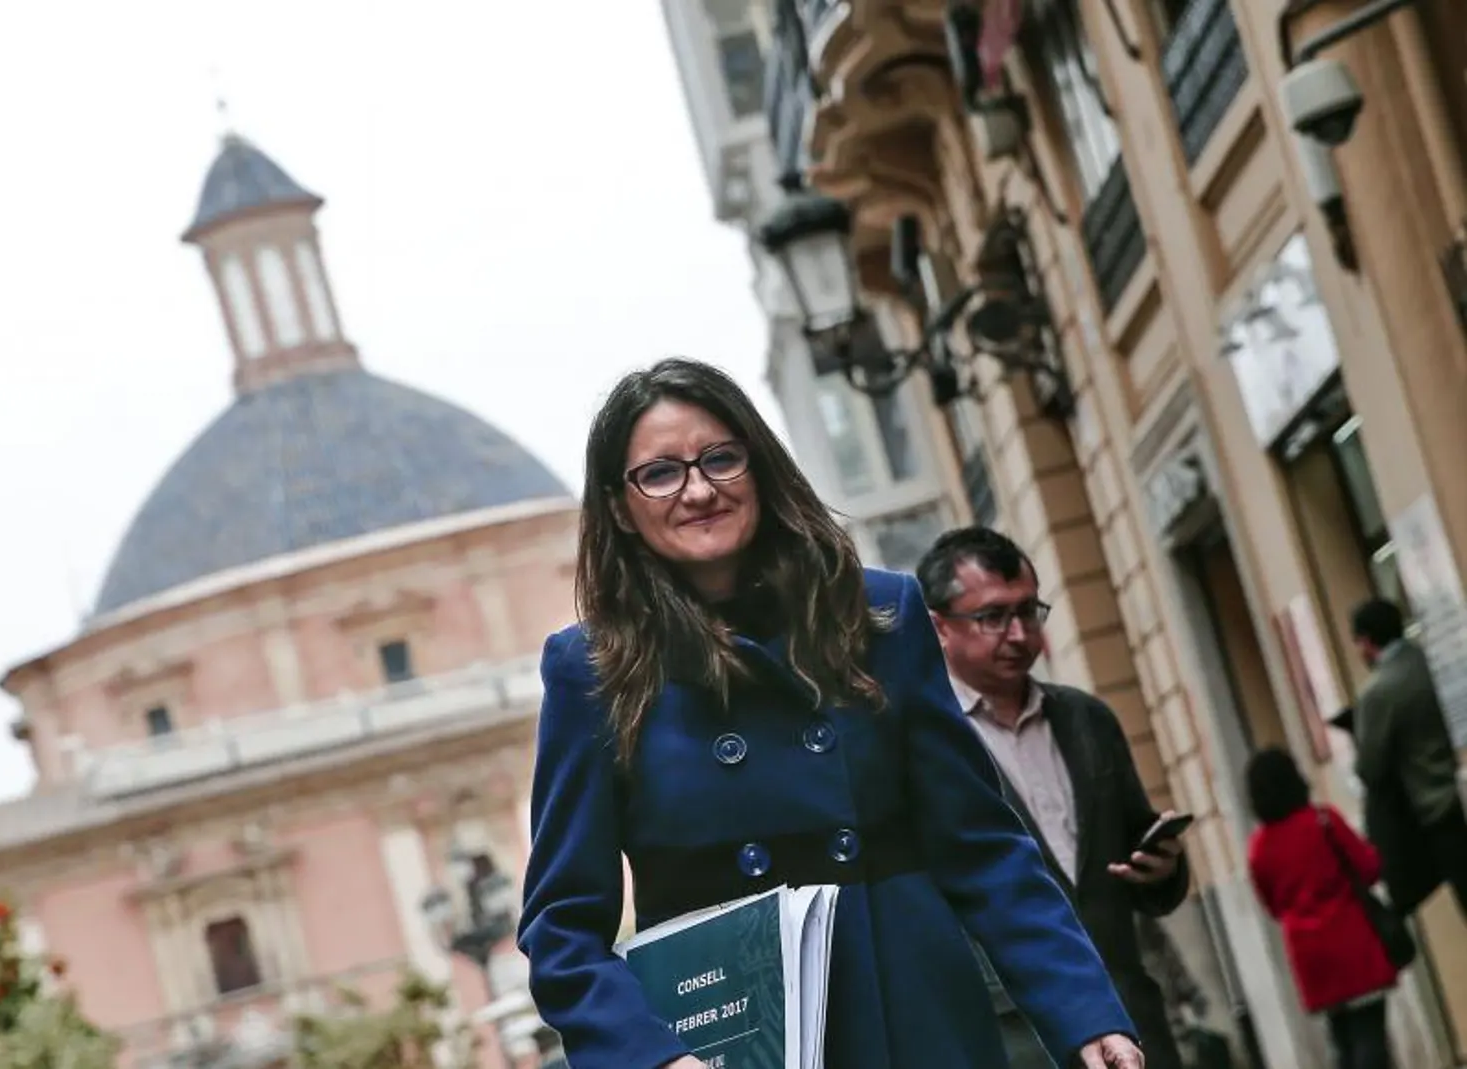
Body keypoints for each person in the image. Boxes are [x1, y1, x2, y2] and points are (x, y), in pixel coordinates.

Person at [517, 358, 1143, 1069]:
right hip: (732, 1032)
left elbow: (982, 847)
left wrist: (1085, 1013)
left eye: (721, 458)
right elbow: (562, 927)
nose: (698, 489)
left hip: (913, 1011)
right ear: (621, 507)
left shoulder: (881, 615)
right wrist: (651, 1055)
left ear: (760, 467)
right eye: (660, 473)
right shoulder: (591, 669)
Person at [913, 527, 1190, 1069]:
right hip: (1022, 1039)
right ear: (937, 627)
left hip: (1131, 1020)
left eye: (1028, 612)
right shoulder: (924, 744)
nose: (1018, 634)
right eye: (992, 617)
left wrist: (1163, 872)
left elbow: (1132, 852)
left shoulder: (1087, 720)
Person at [1245, 746, 1399, 1069]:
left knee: (1342, 1042)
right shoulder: (1322, 821)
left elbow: (1272, 905)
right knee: (1370, 1036)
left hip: (1309, 955)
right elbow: (1368, 867)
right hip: (1351, 941)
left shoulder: (1259, 849)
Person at [1349, 597, 1467, 915]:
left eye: (1358, 643)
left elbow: (1370, 767)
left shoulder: (1379, 691)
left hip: (1434, 810)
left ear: (1368, 641)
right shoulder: (1427, 661)